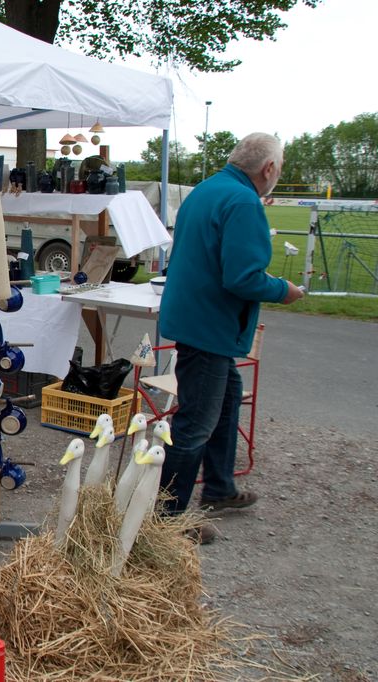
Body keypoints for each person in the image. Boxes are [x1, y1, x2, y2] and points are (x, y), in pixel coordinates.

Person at [157, 132, 304, 544]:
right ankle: (165, 521)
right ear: (268, 168)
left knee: (226, 401)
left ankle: (219, 487)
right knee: (194, 425)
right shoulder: (243, 201)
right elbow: (242, 278)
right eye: (279, 168)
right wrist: (284, 290)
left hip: (196, 318)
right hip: (209, 326)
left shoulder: (206, 190)